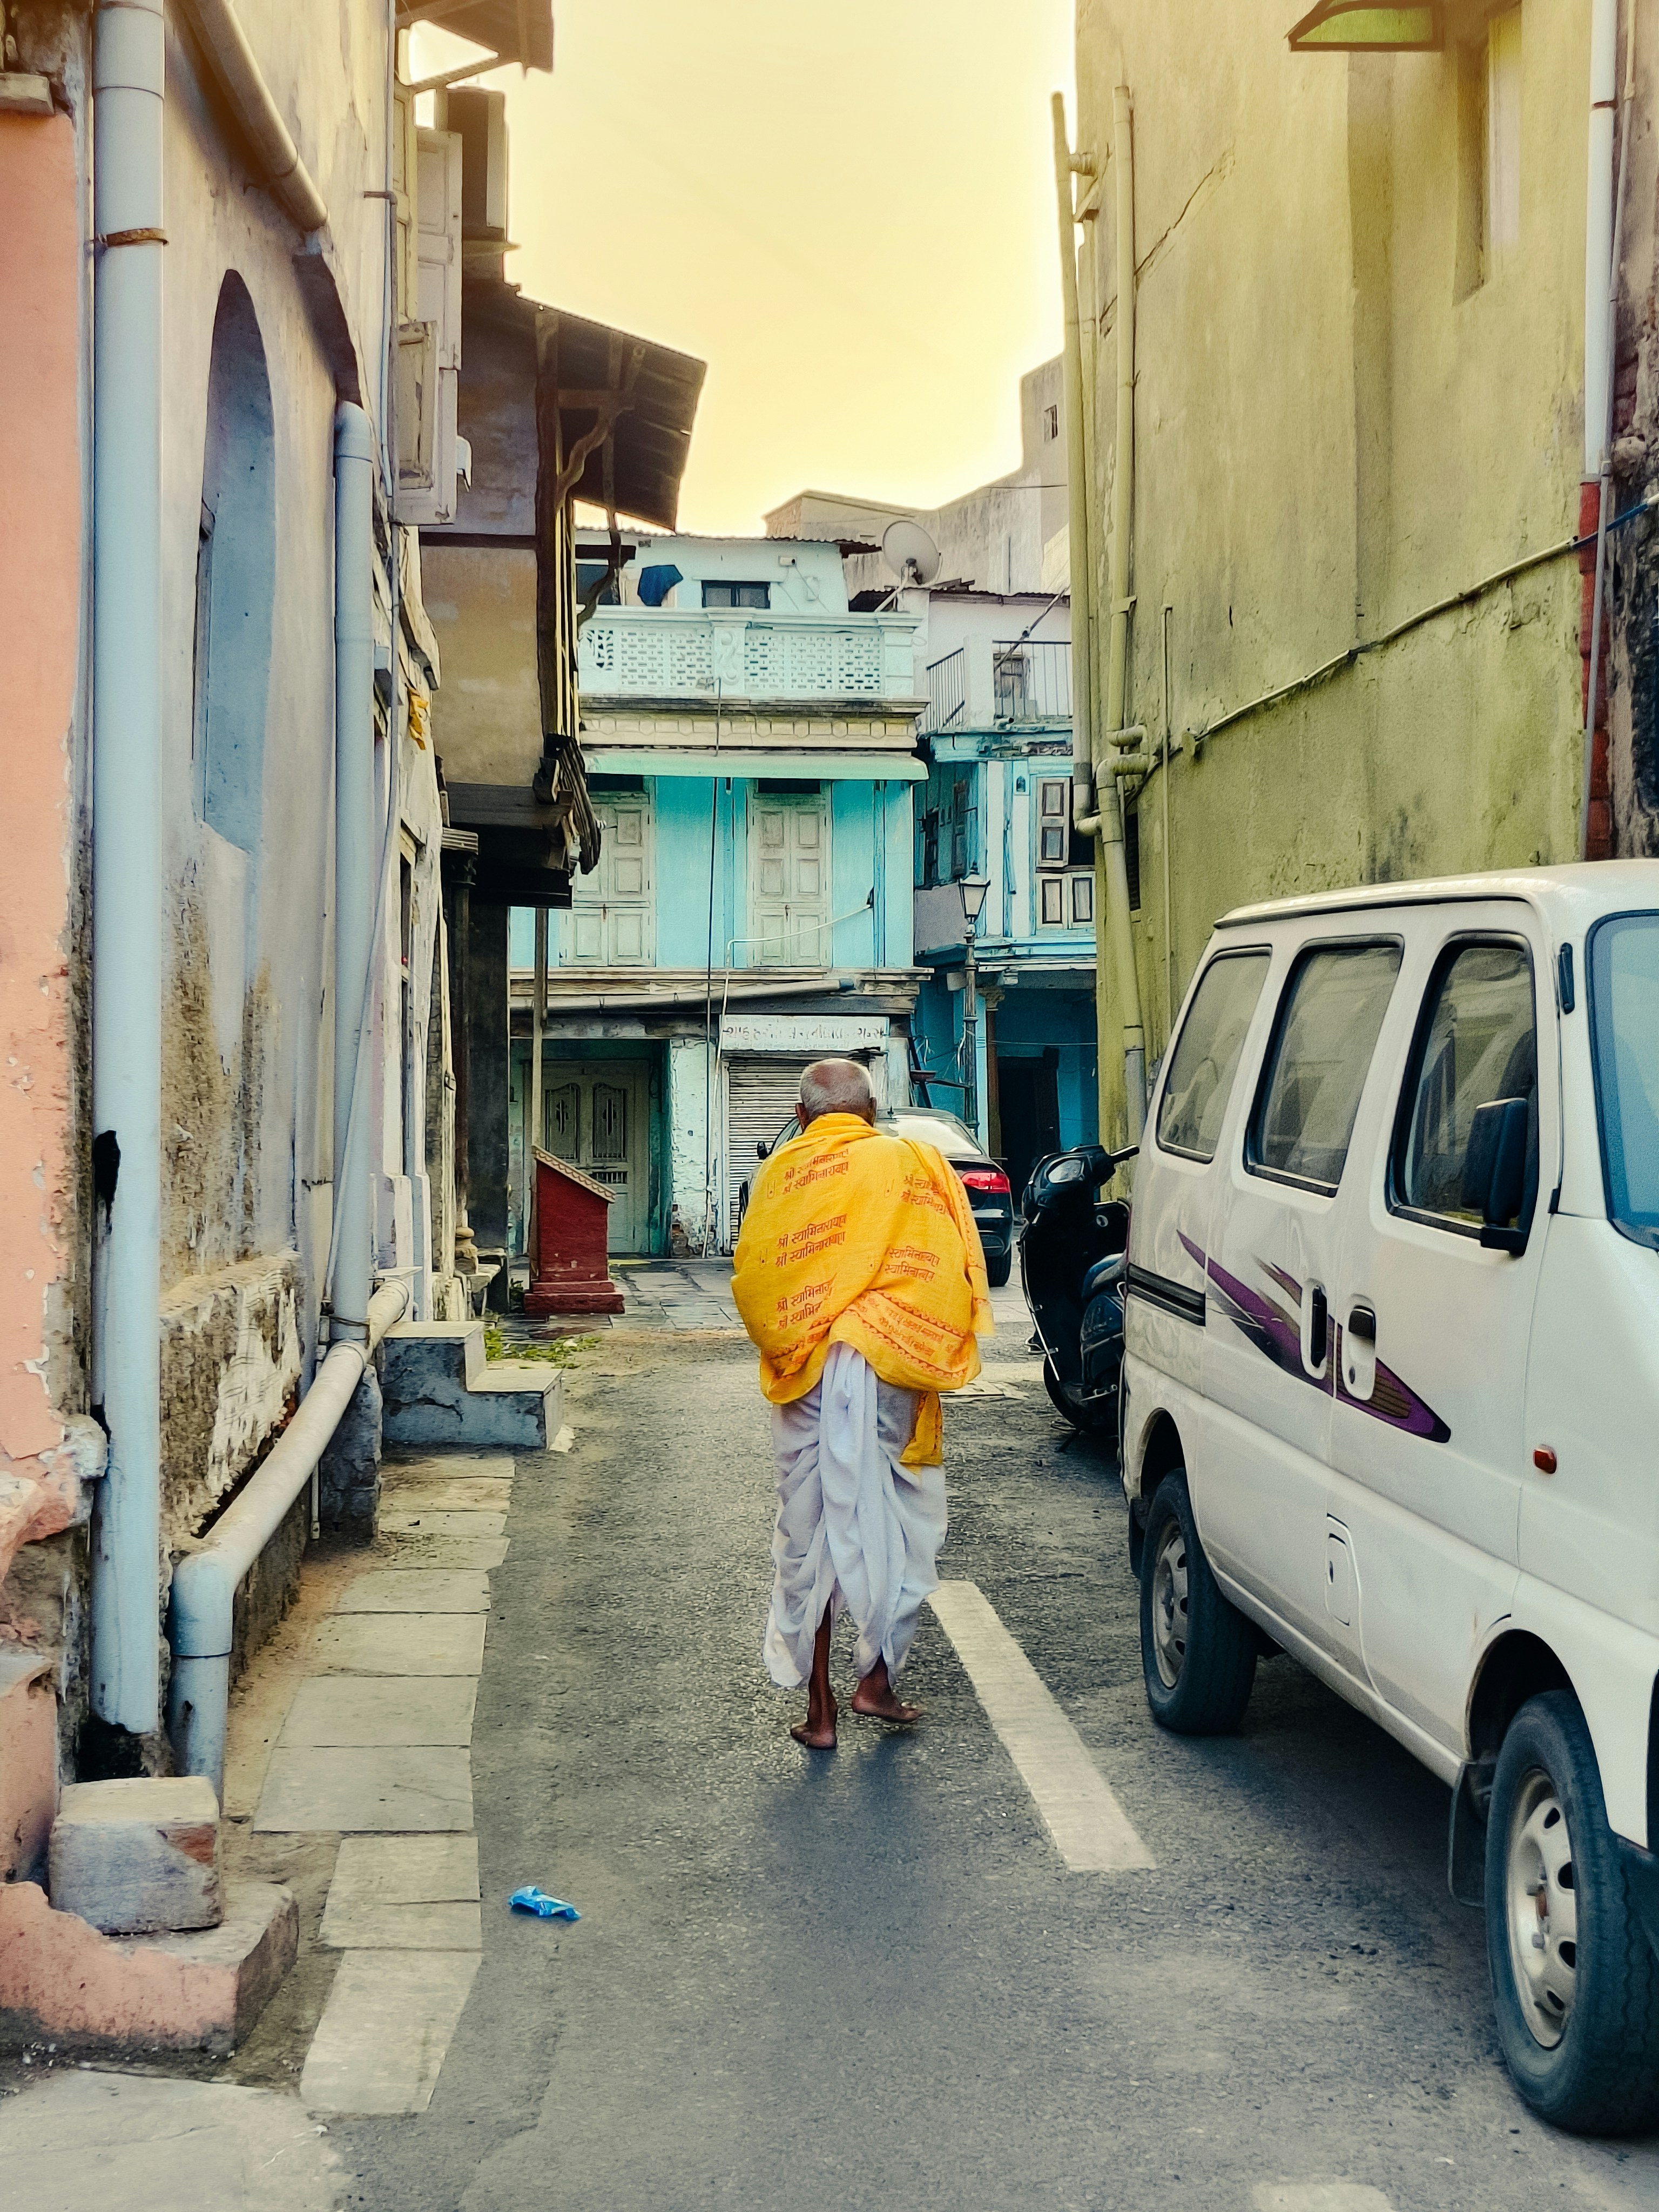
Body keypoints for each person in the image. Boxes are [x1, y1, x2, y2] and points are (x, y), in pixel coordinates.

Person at [731, 1058, 992, 1749]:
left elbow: (757, 1274)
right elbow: (947, 1269)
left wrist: (811, 1326)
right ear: (871, 1110)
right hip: (889, 1358)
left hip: (809, 1365)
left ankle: (820, 1714)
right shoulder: (911, 1160)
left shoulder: (782, 1172)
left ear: (804, 1112)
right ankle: (875, 1683)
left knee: (811, 1528)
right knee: (890, 1522)